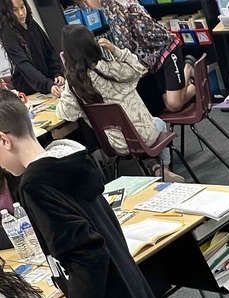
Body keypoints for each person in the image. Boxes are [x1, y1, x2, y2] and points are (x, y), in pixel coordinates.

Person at [0, 89, 216, 298]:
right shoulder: (68, 160)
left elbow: (85, 253)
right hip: (123, 275)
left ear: (4, 140)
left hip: (103, 295)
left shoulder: (35, 185)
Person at [56, 27, 183, 183]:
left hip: (116, 144)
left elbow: (64, 113)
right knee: (159, 123)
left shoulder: (76, 85)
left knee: (136, 137)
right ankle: (164, 170)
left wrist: (65, 86)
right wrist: (115, 50)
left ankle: (155, 166)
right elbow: (140, 67)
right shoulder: (109, 68)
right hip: (144, 135)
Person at [84, 0, 195, 113]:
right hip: (154, 60)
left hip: (167, 50)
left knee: (174, 104)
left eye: (85, 3)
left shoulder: (117, 8)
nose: (89, 8)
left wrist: (117, 53)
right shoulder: (109, 9)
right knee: (167, 102)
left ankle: (189, 69)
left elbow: (127, 44)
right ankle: (187, 82)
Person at [0, 0, 63, 98]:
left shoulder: (31, 24)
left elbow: (50, 52)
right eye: (15, 10)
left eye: (22, 7)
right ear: (7, 11)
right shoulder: (7, 33)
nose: (21, 13)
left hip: (49, 84)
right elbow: (24, 65)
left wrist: (57, 73)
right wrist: (47, 85)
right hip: (29, 90)